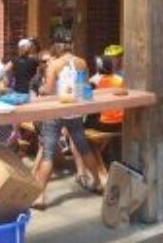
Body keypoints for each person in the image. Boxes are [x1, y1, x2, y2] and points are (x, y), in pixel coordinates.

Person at [33, 43, 103, 209]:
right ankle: (98, 182)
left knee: (48, 153)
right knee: (83, 147)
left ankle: (40, 196)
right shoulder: (82, 62)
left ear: (56, 52)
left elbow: (49, 90)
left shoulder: (54, 65)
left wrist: (41, 89)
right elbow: (85, 88)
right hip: (75, 110)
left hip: (56, 111)